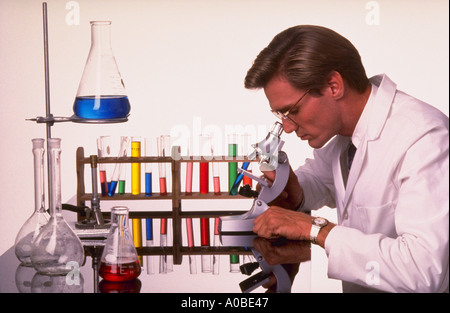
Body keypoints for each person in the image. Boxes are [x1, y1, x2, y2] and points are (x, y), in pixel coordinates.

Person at [245, 25, 449, 293]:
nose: (289, 126)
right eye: (280, 116)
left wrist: (316, 229)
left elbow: (424, 271)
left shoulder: (423, 138)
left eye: (292, 110)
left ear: (333, 85)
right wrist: (293, 190)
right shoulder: (347, 133)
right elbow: (322, 178)